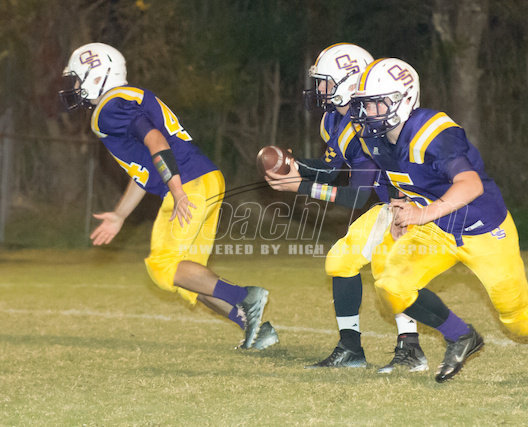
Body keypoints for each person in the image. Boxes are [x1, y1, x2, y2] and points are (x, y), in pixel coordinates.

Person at [346, 57, 528, 387]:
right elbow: (396, 178)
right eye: (363, 104)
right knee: (391, 285)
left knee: (517, 319)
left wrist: (421, 213)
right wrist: (399, 207)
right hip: (438, 229)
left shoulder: (432, 132)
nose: (366, 113)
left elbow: (470, 185)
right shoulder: (373, 139)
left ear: (404, 99)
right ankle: (461, 336)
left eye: (375, 103)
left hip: (483, 228)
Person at [58, 42, 278, 350]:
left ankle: (245, 297)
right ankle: (255, 328)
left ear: (97, 76)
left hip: (187, 183)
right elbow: (144, 172)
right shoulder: (126, 99)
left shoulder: (109, 109)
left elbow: (156, 141)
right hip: (204, 178)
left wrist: (177, 190)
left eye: (78, 79)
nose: (75, 87)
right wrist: (120, 215)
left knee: (163, 266)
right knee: (189, 276)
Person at [265, 43, 427, 373]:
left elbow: (355, 197)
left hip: (413, 204)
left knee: (390, 271)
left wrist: (299, 186)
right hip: (388, 203)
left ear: (349, 82)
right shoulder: (335, 120)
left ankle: (411, 349)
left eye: (325, 82)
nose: (319, 90)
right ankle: (351, 349)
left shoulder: (369, 121)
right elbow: (330, 169)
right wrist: (295, 166)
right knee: (341, 261)